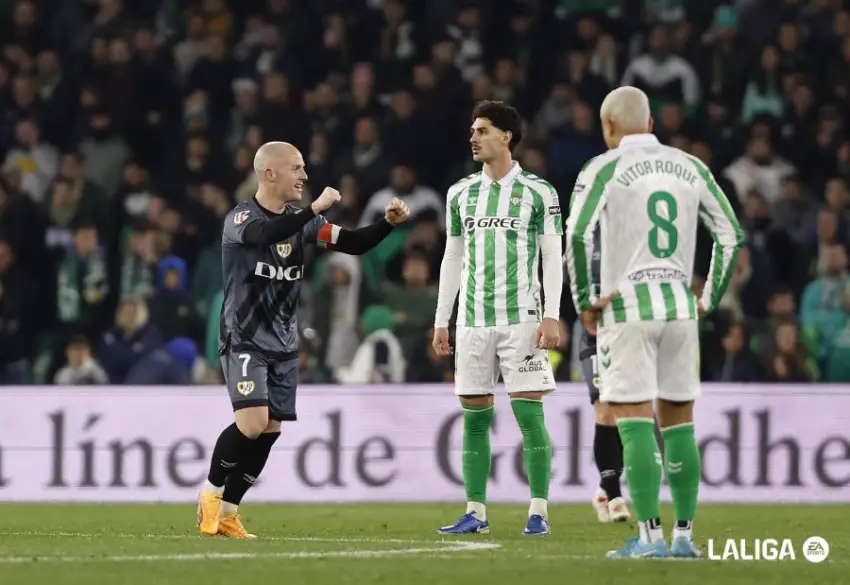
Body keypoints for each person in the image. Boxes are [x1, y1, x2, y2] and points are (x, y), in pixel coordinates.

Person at [565, 87, 744, 558]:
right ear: (650, 124)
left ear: (608, 127)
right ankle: (684, 536)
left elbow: (579, 233)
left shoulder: (603, 167)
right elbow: (731, 234)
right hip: (680, 309)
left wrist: (585, 299)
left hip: (627, 309)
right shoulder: (690, 165)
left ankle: (648, 538)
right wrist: (708, 298)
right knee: (680, 425)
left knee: (635, 422)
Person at [197, 141, 409, 538]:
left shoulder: (305, 222)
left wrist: (387, 223)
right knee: (252, 422)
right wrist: (313, 209)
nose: (305, 176)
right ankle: (209, 494)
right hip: (245, 339)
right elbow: (267, 232)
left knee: (271, 429)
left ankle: (228, 512)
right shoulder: (241, 218)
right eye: (296, 168)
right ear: (270, 173)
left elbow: (354, 243)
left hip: (283, 344)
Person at [432, 101, 563, 537]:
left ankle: (539, 511)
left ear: (506, 136)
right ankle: (475, 511)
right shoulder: (460, 194)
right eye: (473, 130)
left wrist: (551, 315)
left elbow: (552, 258)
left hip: (522, 321)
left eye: (483, 130)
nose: (474, 137)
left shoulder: (540, 192)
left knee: (530, 417)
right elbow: (453, 256)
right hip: (471, 321)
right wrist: (441, 319)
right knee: (474, 418)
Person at [580, 226, 630, 524]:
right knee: (606, 410)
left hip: (629, 332)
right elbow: (564, 277)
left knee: (628, 414)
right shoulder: (582, 237)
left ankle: (603, 489)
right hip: (593, 334)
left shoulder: (634, 235)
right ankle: (614, 495)